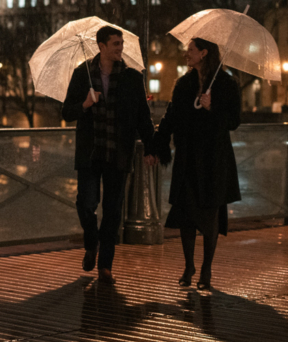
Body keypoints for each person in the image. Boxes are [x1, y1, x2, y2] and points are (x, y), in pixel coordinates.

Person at [60, 25, 157, 284]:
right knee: (86, 204)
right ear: (101, 47)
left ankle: (105, 266)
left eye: (121, 44)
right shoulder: (83, 74)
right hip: (91, 153)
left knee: (113, 212)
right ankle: (92, 243)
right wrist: (85, 104)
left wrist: (151, 147)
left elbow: (142, 117)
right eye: (115, 44)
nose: (120, 49)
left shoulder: (132, 77)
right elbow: (67, 112)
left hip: (118, 152)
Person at [152, 37, 242, 290]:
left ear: (203, 53)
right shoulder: (184, 84)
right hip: (188, 157)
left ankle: (206, 270)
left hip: (214, 159)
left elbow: (234, 120)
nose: (185, 54)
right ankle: (189, 265)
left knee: (210, 215)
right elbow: (171, 117)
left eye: (189, 50)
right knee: (187, 213)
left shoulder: (226, 84)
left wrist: (213, 107)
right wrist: (157, 145)